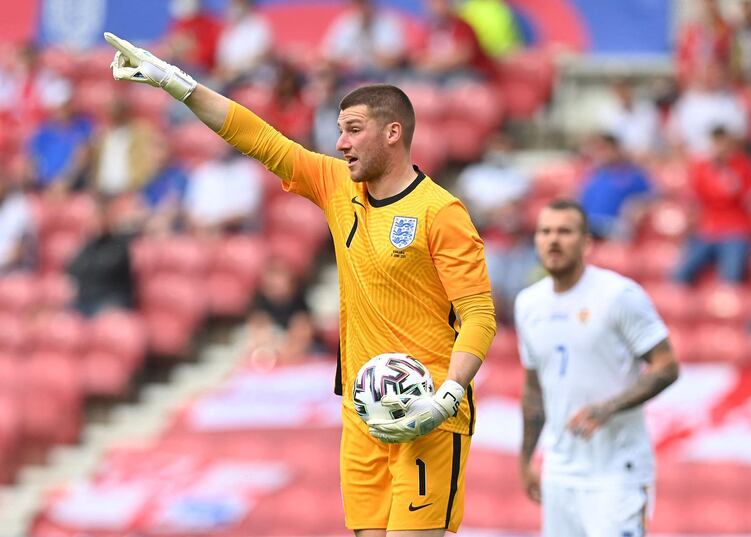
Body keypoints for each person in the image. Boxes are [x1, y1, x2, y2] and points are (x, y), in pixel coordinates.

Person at [103, 32, 496, 536]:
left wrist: (445, 397)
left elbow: (480, 315)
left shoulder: (441, 213)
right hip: (364, 413)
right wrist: (175, 83)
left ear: (393, 132)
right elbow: (260, 139)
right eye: (339, 130)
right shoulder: (337, 187)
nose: (340, 143)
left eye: (353, 129)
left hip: (428, 412)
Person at [515, 199, 680, 537]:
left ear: (587, 243)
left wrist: (608, 407)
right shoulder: (528, 304)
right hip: (560, 470)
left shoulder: (619, 295)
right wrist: (526, 457)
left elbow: (667, 366)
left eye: (565, 231)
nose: (553, 240)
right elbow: (534, 389)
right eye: (545, 231)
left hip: (616, 471)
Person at [673, 126, 751, 285]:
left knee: (731, 279)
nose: (720, 148)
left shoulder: (743, 165)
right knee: (679, 275)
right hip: (707, 230)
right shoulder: (700, 168)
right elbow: (694, 202)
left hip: (736, 230)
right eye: (716, 143)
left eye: (723, 143)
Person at [577, 133, 653, 240]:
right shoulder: (593, 175)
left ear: (616, 149)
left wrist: (638, 204)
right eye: (597, 150)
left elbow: (654, 196)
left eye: (604, 149)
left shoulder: (632, 173)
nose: (600, 154)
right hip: (589, 224)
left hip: (614, 226)